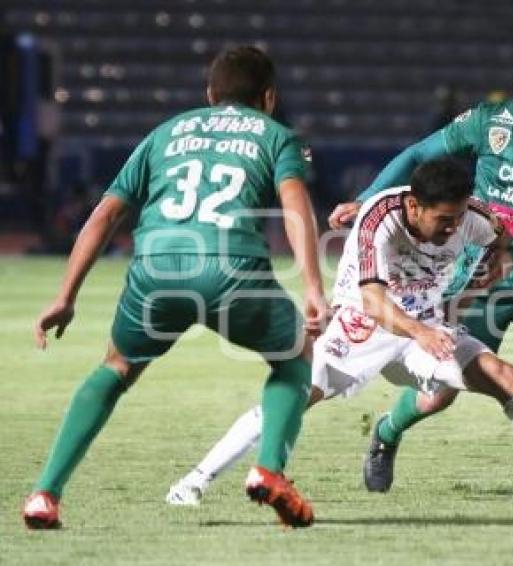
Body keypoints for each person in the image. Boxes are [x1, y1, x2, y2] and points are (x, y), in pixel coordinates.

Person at [165, 158, 513, 505]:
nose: (453, 228)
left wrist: (463, 299)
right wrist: (420, 331)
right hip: (363, 326)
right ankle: (195, 482)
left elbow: (500, 246)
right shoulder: (378, 219)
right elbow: (373, 300)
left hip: (426, 325)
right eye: (444, 220)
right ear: (414, 205)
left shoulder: (472, 218)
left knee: (500, 373)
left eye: (458, 218)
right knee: (291, 398)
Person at [22, 46, 328, 530]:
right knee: (294, 357)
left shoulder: (166, 132)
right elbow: (294, 202)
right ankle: (269, 469)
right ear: (269, 97)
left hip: (155, 269)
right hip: (232, 267)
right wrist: (312, 284)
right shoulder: (277, 136)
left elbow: (105, 214)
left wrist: (65, 296)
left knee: (117, 367)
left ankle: (44, 494)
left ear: (210, 94)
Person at [328, 28, 513, 503]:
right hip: (476, 275)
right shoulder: (491, 122)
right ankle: (387, 432)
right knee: (443, 391)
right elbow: (418, 155)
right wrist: (367, 198)